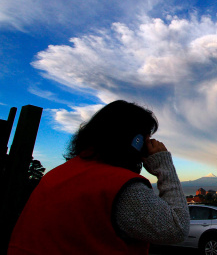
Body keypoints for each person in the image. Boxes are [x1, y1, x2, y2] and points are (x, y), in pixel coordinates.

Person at [8, 100, 189, 255]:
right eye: (146, 138)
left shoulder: (55, 175)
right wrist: (164, 166)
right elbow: (177, 228)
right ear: (136, 142)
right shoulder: (121, 187)